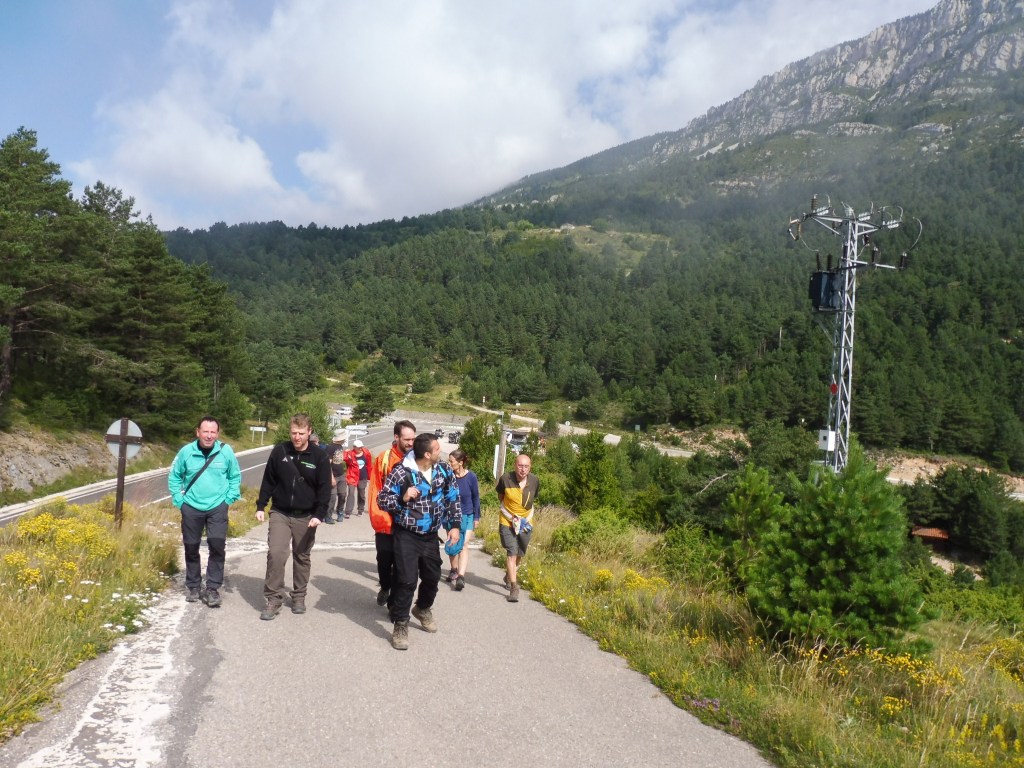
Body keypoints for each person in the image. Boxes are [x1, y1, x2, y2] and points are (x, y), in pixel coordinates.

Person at [377, 433, 462, 650]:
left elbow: (453, 498)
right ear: (427, 454)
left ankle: (422, 608)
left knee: (432, 577)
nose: (441, 452)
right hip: (406, 534)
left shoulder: (443, 470)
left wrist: (454, 526)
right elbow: (382, 500)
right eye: (437, 449)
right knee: (406, 581)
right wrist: (402, 498)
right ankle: (400, 624)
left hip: (430, 535)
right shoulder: (401, 471)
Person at [254, 413, 332, 620]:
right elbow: (268, 480)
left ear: (309, 432)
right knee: (276, 553)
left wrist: (319, 514)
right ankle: (273, 598)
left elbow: (324, 488)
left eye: (301, 433)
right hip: (280, 512)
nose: (297, 437)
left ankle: (299, 595)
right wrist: (261, 505)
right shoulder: (280, 451)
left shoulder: (319, 456)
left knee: (301, 556)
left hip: (306, 515)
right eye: (293, 433)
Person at [167, 416, 242, 608]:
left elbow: (235, 477)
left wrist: (228, 500)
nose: (209, 436)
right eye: (205, 431)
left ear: (217, 433)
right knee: (191, 546)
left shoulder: (226, 451)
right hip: (191, 507)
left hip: (217, 507)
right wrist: (180, 501)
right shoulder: (186, 452)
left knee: (217, 546)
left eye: (213, 432)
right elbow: (174, 477)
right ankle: (193, 585)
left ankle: (212, 588)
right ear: (198, 432)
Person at [367, 419, 415, 607]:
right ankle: (385, 586)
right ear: (396, 437)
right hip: (386, 520)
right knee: (384, 559)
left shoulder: (418, 459)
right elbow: (376, 490)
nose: (411, 443)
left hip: (408, 521)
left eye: (413, 439)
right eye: (407, 439)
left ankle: (394, 603)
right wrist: (380, 520)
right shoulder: (384, 459)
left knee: (402, 564)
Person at [496, 453, 540, 603]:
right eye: (520, 466)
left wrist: (522, 517)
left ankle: (509, 575)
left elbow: (533, 498)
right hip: (507, 521)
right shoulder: (505, 479)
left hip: (525, 523)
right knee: (512, 552)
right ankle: (514, 587)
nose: (523, 469)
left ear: (530, 467)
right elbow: (501, 496)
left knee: (520, 552)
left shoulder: (534, 480)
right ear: (515, 466)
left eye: (526, 466)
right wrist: (511, 515)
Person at [446, 448, 480, 592]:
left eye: (451, 461)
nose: (449, 464)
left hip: (467, 514)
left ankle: (461, 576)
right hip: (451, 515)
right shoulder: (449, 476)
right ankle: (453, 569)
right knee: (453, 544)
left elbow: (475, 497)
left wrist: (477, 517)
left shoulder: (471, 477)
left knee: (464, 544)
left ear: (460, 462)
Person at [324, 428, 348, 523]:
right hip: (333, 476)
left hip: (341, 475)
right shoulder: (330, 447)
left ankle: (340, 512)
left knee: (342, 495)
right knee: (332, 497)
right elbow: (327, 464)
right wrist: (331, 477)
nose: (344, 440)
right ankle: (328, 516)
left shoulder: (340, 447)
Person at [343, 438, 372, 517]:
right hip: (352, 476)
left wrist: (370, 477)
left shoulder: (366, 453)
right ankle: (348, 512)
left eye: (361, 447)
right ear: (354, 447)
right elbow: (344, 458)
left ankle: (360, 510)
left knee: (361, 494)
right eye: (358, 447)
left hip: (363, 477)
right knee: (351, 493)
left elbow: (369, 465)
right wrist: (345, 452)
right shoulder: (350, 454)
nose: (360, 448)